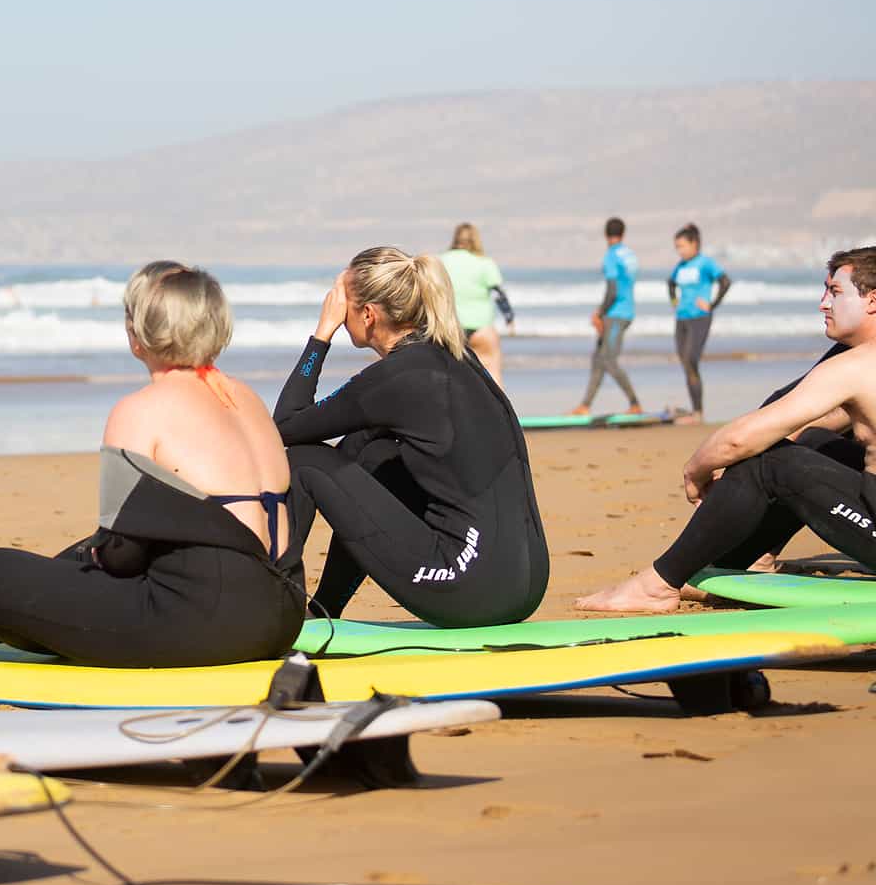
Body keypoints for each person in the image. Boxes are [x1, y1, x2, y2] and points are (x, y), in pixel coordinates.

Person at [0, 263, 302, 667]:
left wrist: (85, 563)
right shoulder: (246, 400)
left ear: (137, 334)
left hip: (207, 625)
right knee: (78, 561)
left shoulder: (140, 410)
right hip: (282, 616)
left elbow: (119, 557)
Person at [578, 247, 876, 610]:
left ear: (872, 300)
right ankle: (738, 565)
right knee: (813, 443)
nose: (823, 303)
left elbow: (739, 440)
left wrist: (696, 469)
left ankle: (658, 585)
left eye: (836, 292)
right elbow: (814, 421)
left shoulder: (856, 366)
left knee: (767, 464)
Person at [275, 247, 548, 627]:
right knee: (370, 453)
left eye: (341, 302)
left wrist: (321, 335)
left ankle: (274, 608)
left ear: (368, 314)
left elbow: (286, 425)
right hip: (524, 585)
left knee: (303, 461)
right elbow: (356, 448)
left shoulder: (398, 378)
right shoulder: (453, 355)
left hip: (470, 588)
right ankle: (321, 612)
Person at [568, 217, 643, 418]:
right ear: (623, 233)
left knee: (608, 360)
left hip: (616, 314)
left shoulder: (611, 256)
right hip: (625, 311)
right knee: (598, 360)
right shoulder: (630, 255)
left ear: (606, 234)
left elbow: (612, 290)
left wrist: (600, 312)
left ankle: (635, 403)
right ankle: (585, 405)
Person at [668, 223, 733, 425]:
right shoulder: (680, 266)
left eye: (682, 246)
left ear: (694, 244)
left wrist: (712, 304)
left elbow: (725, 281)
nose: (679, 250)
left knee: (691, 359)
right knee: (685, 363)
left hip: (700, 318)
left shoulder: (705, 263)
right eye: (677, 247)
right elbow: (670, 283)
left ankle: (698, 413)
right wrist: (674, 302)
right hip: (682, 319)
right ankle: (695, 412)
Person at [439, 223, 515, 382]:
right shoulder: (485, 263)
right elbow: (499, 294)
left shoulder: (440, 261)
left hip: (450, 327)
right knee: (492, 371)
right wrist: (509, 317)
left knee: (451, 376)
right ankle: (497, 407)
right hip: (481, 327)